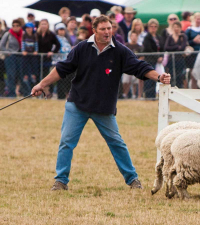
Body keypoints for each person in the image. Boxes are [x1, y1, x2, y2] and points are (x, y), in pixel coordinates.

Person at [31, 15, 171, 191]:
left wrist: (158, 77)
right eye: (103, 29)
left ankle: (133, 180)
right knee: (66, 142)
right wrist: (42, 84)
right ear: (94, 30)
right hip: (77, 104)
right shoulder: (81, 48)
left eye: (109, 28)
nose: (107, 32)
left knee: (116, 143)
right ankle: (60, 181)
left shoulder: (120, 50)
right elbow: (62, 68)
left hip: (103, 108)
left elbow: (139, 67)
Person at [37, 19, 61, 97]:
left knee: (46, 75)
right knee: (37, 75)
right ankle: (38, 92)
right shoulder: (37, 34)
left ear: (48, 25)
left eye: (45, 24)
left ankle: (47, 93)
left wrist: (52, 52)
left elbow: (58, 45)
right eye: (42, 24)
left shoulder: (51, 34)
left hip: (47, 59)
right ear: (39, 25)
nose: (43, 26)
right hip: (37, 59)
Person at [0, 19, 23, 97]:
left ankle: (23, 92)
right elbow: (1, 45)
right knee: (11, 75)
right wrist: (7, 52)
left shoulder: (23, 34)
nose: (15, 27)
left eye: (17, 26)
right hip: (10, 57)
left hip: (20, 56)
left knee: (21, 75)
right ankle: (11, 94)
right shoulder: (8, 34)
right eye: (13, 26)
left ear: (20, 26)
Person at [142, 18, 163, 98]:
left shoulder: (159, 37)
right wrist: (157, 57)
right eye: (151, 26)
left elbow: (162, 48)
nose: (153, 28)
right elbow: (148, 49)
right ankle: (148, 96)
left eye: (155, 26)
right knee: (149, 78)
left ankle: (153, 95)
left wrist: (161, 56)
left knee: (156, 78)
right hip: (150, 60)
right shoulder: (147, 37)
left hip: (158, 62)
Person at [164, 21, 187, 88]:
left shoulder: (183, 36)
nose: (176, 28)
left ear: (180, 28)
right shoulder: (170, 37)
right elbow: (166, 47)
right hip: (171, 60)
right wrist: (177, 46)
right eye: (174, 27)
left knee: (180, 76)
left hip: (180, 59)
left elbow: (182, 47)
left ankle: (180, 88)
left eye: (177, 27)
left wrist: (173, 47)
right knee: (171, 75)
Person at [53, 23, 73, 99]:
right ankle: (60, 96)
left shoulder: (65, 39)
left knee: (66, 80)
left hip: (66, 63)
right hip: (59, 62)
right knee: (60, 80)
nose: (62, 31)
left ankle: (66, 95)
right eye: (60, 30)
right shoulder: (55, 39)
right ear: (57, 30)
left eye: (63, 30)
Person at [122, 31, 144, 98]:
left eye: (135, 36)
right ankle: (125, 94)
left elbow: (142, 57)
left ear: (137, 37)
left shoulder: (140, 47)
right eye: (132, 36)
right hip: (127, 66)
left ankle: (134, 95)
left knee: (135, 82)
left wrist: (136, 62)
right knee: (125, 81)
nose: (134, 37)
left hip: (136, 67)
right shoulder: (126, 45)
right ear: (130, 37)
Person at [21, 22, 39, 95]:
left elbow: (36, 44)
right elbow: (23, 44)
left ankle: (33, 89)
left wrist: (36, 51)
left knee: (33, 72)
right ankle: (26, 91)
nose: (29, 29)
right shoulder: (24, 35)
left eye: (30, 28)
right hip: (26, 56)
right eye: (27, 28)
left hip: (33, 56)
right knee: (25, 72)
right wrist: (23, 51)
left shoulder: (34, 36)